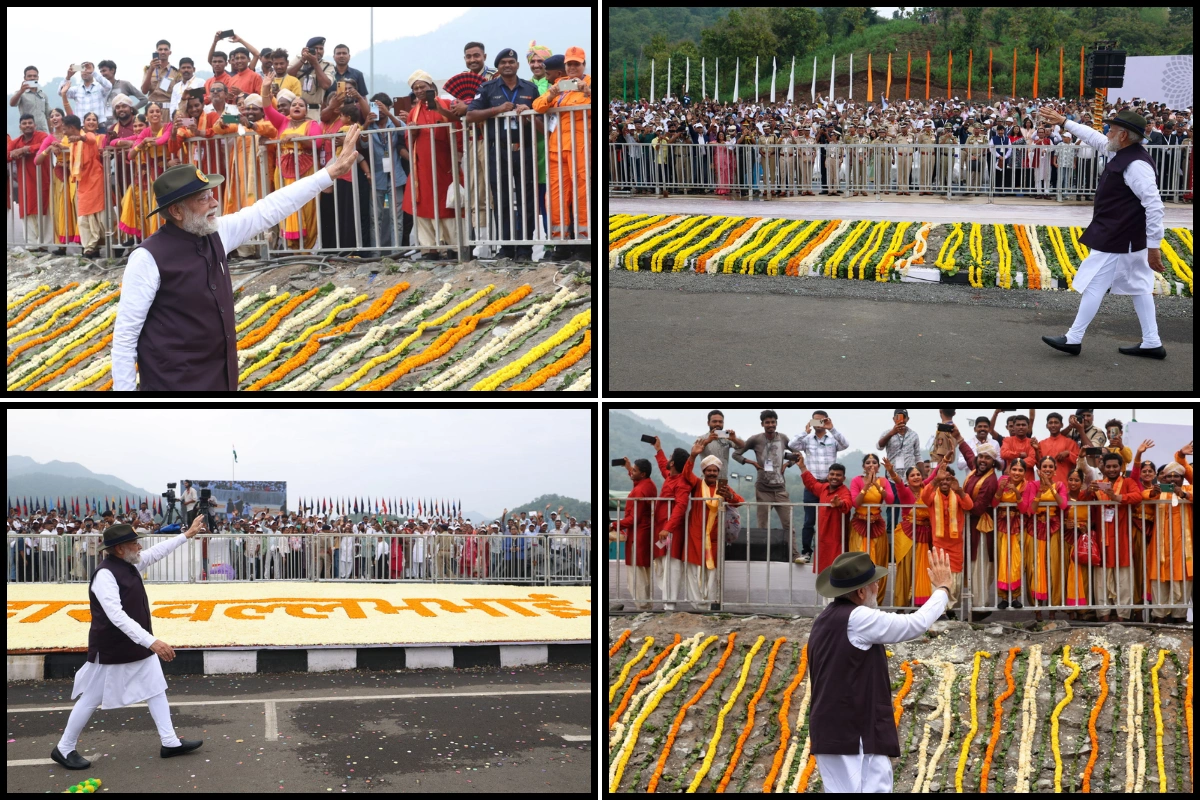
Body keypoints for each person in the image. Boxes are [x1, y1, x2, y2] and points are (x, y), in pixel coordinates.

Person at [110, 123, 362, 391]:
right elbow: (125, 339)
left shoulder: (217, 232)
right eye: (203, 199)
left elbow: (270, 208)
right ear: (177, 211)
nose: (214, 203)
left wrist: (329, 173)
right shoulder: (147, 258)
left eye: (211, 195)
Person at [50, 516, 208, 771]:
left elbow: (157, 552)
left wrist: (186, 535)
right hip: (113, 647)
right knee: (91, 698)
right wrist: (152, 641)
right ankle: (64, 747)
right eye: (135, 543)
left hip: (137, 644)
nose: (140, 547)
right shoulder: (105, 575)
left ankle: (169, 741)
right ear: (121, 548)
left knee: (155, 688)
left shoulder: (128, 563)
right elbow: (117, 616)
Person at [808, 548, 955, 792]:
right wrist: (943, 589)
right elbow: (914, 624)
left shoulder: (826, 618)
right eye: (875, 584)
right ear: (862, 591)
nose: (878, 590)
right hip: (851, 731)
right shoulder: (857, 618)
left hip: (842, 730)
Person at [1039, 107, 1166, 359]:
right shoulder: (1122, 152)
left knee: (1095, 284)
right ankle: (1152, 342)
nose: (1106, 133)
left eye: (1112, 130)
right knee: (1140, 287)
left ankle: (1074, 338)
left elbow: (1154, 206)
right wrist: (1065, 121)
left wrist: (1154, 246)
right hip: (1123, 235)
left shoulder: (1136, 165)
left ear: (1124, 136)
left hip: (1120, 237)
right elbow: (1092, 137)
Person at [465, 48, 539, 261]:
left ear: (517, 65)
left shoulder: (530, 88)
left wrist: (530, 113)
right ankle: (506, 248)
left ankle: (525, 248)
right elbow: (471, 115)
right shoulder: (488, 88)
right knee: (502, 200)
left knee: (527, 200)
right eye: (503, 62)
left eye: (511, 61)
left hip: (523, 149)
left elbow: (543, 119)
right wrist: (497, 110)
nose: (508, 65)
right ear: (497, 67)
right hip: (498, 150)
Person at [532, 46, 591, 260]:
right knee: (555, 196)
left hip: (581, 148)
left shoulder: (591, 83)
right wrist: (550, 95)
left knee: (583, 194)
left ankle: (585, 243)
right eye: (570, 64)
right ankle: (561, 243)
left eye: (577, 63)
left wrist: (588, 91)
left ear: (584, 65)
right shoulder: (558, 86)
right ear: (565, 67)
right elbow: (537, 106)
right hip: (557, 149)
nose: (573, 67)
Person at [403, 70, 464, 259]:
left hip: (446, 164)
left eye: (423, 87)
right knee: (423, 207)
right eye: (416, 88)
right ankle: (430, 249)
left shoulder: (445, 104)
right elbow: (408, 141)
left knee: (449, 206)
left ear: (431, 87)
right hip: (422, 168)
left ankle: (454, 247)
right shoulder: (413, 113)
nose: (420, 90)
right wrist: (412, 131)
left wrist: (459, 158)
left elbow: (459, 127)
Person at [1092, 452, 1147, 622]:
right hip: (1102, 535)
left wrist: (1117, 497)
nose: (1112, 469)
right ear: (1103, 467)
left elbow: (1138, 496)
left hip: (1122, 534)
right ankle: (1104, 614)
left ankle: (1123, 614)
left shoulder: (1128, 482)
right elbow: (1082, 499)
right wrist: (1088, 491)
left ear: (1121, 467)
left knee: (1123, 576)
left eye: (1115, 466)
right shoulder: (1098, 484)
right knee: (1101, 577)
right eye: (1108, 466)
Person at [790, 411, 850, 564]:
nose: (818, 424)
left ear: (826, 421)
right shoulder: (807, 439)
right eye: (814, 420)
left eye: (821, 421)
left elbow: (845, 444)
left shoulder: (832, 438)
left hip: (831, 485)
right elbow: (792, 445)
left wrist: (832, 428)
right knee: (809, 520)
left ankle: (839, 551)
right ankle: (806, 552)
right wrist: (805, 431)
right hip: (813, 484)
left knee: (833, 521)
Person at [651, 436, 703, 611]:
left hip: (672, 531)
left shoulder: (682, 483)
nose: (668, 461)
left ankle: (670, 604)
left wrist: (668, 528)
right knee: (664, 564)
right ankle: (667, 602)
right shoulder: (671, 477)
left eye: (670, 457)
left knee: (672, 565)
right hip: (664, 530)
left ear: (673, 463)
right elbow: (662, 466)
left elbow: (680, 507)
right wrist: (659, 450)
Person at [920, 454, 974, 615]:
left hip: (956, 544)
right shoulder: (932, 495)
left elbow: (969, 505)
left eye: (948, 480)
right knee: (938, 574)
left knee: (955, 578)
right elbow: (923, 497)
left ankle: (951, 608)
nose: (945, 483)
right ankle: (939, 611)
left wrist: (960, 490)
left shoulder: (957, 494)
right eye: (942, 480)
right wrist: (935, 480)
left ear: (952, 481)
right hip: (939, 543)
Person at [733, 410, 796, 545]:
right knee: (763, 526)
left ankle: (794, 555)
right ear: (762, 424)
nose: (770, 425)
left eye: (773, 422)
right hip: (762, 489)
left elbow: (797, 454)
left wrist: (788, 463)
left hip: (780, 489)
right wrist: (752, 463)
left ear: (776, 423)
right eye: (767, 422)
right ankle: (763, 556)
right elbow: (736, 454)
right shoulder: (755, 439)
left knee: (789, 525)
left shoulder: (783, 438)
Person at [1019, 455, 1068, 620]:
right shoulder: (1032, 485)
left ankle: (1053, 608)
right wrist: (1040, 491)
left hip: (1053, 530)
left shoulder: (1060, 485)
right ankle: (1037, 608)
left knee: (1054, 566)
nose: (1047, 469)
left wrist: (1051, 488)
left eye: (1050, 467)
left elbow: (1063, 505)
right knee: (1034, 567)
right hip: (1034, 529)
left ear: (1055, 470)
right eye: (1044, 467)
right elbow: (1030, 510)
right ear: (1039, 470)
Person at [1146, 451, 1192, 621]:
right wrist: (1151, 493)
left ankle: (1180, 616)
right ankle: (1159, 616)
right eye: (1169, 477)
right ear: (1163, 478)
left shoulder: (1188, 489)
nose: (1172, 480)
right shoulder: (1158, 492)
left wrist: (1184, 494)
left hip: (1183, 549)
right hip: (1160, 547)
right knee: (1160, 580)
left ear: (1182, 478)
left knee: (1183, 580)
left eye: (1177, 477)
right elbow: (1141, 499)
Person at [848, 454, 893, 606]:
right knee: (858, 562)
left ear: (878, 467)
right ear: (863, 466)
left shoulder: (883, 481)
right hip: (859, 525)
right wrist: (866, 486)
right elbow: (855, 502)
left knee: (878, 563)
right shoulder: (856, 480)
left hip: (877, 526)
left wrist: (877, 485)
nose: (871, 465)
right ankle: (856, 601)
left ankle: (875, 602)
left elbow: (891, 500)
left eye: (874, 462)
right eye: (868, 462)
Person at [58, 114, 106, 258]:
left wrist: (80, 138)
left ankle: (108, 243)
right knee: (84, 217)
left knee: (100, 216)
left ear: (72, 128)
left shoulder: (87, 136)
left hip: (95, 180)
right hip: (83, 182)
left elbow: (91, 139)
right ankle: (89, 248)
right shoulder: (71, 141)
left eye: (65, 128)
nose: (63, 132)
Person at [616, 457, 657, 610]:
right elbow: (637, 485)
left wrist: (614, 525)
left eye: (634, 470)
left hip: (637, 536)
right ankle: (646, 604)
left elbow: (634, 518)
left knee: (636, 573)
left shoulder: (640, 490)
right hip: (644, 535)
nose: (632, 473)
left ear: (643, 473)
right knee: (644, 572)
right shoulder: (649, 484)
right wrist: (628, 469)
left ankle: (642, 606)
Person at [963, 443, 999, 614]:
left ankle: (981, 606)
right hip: (971, 526)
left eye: (987, 457)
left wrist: (960, 495)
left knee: (980, 566)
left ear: (993, 461)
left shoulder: (990, 480)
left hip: (982, 528)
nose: (983, 460)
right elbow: (968, 454)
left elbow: (978, 508)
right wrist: (958, 437)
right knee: (972, 565)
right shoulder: (975, 472)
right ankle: (975, 605)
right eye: (981, 457)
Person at [992, 458, 1031, 609]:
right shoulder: (1002, 480)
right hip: (1002, 526)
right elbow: (994, 504)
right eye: (1014, 469)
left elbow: (1023, 509)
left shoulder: (1026, 485)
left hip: (1018, 527)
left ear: (1024, 473)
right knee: (1002, 561)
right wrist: (1000, 490)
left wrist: (1016, 492)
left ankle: (1015, 597)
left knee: (1016, 562)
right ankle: (1002, 597)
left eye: (1020, 470)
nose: (1017, 473)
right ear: (1009, 470)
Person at [8, 114, 52, 247]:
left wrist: (26, 149)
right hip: (25, 183)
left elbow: (45, 144)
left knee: (45, 210)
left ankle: (44, 244)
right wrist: (16, 152)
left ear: (35, 125)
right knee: (27, 209)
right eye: (24, 123)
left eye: (30, 123)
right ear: (20, 127)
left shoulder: (42, 135)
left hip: (43, 180)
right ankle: (32, 245)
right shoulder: (17, 141)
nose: (27, 125)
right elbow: (8, 152)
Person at [1062, 467, 1098, 617]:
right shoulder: (1063, 497)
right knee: (1067, 573)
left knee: (1083, 574)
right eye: (1070, 479)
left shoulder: (1087, 497)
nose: (1073, 483)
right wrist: (1065, 523)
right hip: (1067, 539)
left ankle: (1083, 608)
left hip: (1083, 540)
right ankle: (1069, 609)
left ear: (1082, 482)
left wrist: (1087, 527)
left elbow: (1095, 517)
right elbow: (1056, 518)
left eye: (1076, 480)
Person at [287, 37, 335, 121]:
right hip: (295, 109)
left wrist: (315, 63)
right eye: (315, 49)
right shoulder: (299, 59)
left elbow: (325, 85)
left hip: (314, 110)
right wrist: (303, 60)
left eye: (321, 49)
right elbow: (287, 76)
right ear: (307, 49)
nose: (318, 51)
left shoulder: (328, 65)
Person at [694, 409, 742, 480]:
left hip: (722, 481)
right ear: (708, 423)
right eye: (714, 421)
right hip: (706, 480)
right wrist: (708, 441)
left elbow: (742, 446)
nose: (717, 424)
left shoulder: (727, 437)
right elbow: (694, 451)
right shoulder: (702, 438)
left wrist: (734, 439)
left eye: (720, 422)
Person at [1038, 412, 1080, 485]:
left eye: (1056, 423)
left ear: (1062, 425)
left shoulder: (1071, 443)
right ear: (1047, 425)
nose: (1053, 425)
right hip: (1045, 485)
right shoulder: (1041, 444)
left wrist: (1069, 454)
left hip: (1065, 484)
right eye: (1050, 423)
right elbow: (1038, 464)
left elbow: (1080, 462)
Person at [11, 66, 51, 132]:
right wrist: (21, 91)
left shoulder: (43, 94)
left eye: (34, 76)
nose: (32, 78)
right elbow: (12, 104)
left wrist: (51, 133)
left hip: (42, 131)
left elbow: (48, 115)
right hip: (27, 132)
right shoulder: (21, 93)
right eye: (29, 76)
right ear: (25, 78)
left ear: (38, 77)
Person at [142, 41, 181, 106]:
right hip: (152, 108)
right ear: (156, 52)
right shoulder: (149, 70)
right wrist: (151, 70)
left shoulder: (176, 73)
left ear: (170, 52)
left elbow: (179, 94)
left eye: (165, 49)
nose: (163, 52)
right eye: (160, 49)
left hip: (168, 108)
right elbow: (144, 91)